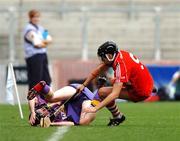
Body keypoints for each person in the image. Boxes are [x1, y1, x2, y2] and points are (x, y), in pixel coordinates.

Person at [76, 41, 154, 126]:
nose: (102, 60)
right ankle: (150, 88)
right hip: (147, 82)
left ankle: (118, 117)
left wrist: (95, 108)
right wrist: (84, 85)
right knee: (113, 81)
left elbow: (115, 95)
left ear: (109, 56)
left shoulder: (120, 65)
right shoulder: (119, 54)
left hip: (140, 91)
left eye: (103, 57)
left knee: (102, 92)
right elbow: (99, 69)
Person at [28, 81, 97, 126]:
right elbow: (72, 123)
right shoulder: (54, 119)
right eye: (42, 113)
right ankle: (96, 99)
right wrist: (51, 123)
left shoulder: (41, 105)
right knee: (82, 122)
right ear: (43, 118)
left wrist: (32, 111)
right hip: (86, 102)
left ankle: (43, 86)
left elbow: (31, 97)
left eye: (40, 110)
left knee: (52, 98)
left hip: (77, 91)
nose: (43, 110)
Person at [23, 9, 52, 90]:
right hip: (34, 56)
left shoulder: (40, 28)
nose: (36, 19)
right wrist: (44, 43)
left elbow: (49, 39)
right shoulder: (28, 29)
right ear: (30, 18)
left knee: (46, 79)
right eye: (34, 17)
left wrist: (42, 43)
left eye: (37, 17)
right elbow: (36, 43)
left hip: (42, 55)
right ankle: (34, 101)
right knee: (35, 80)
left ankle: (44, 100)